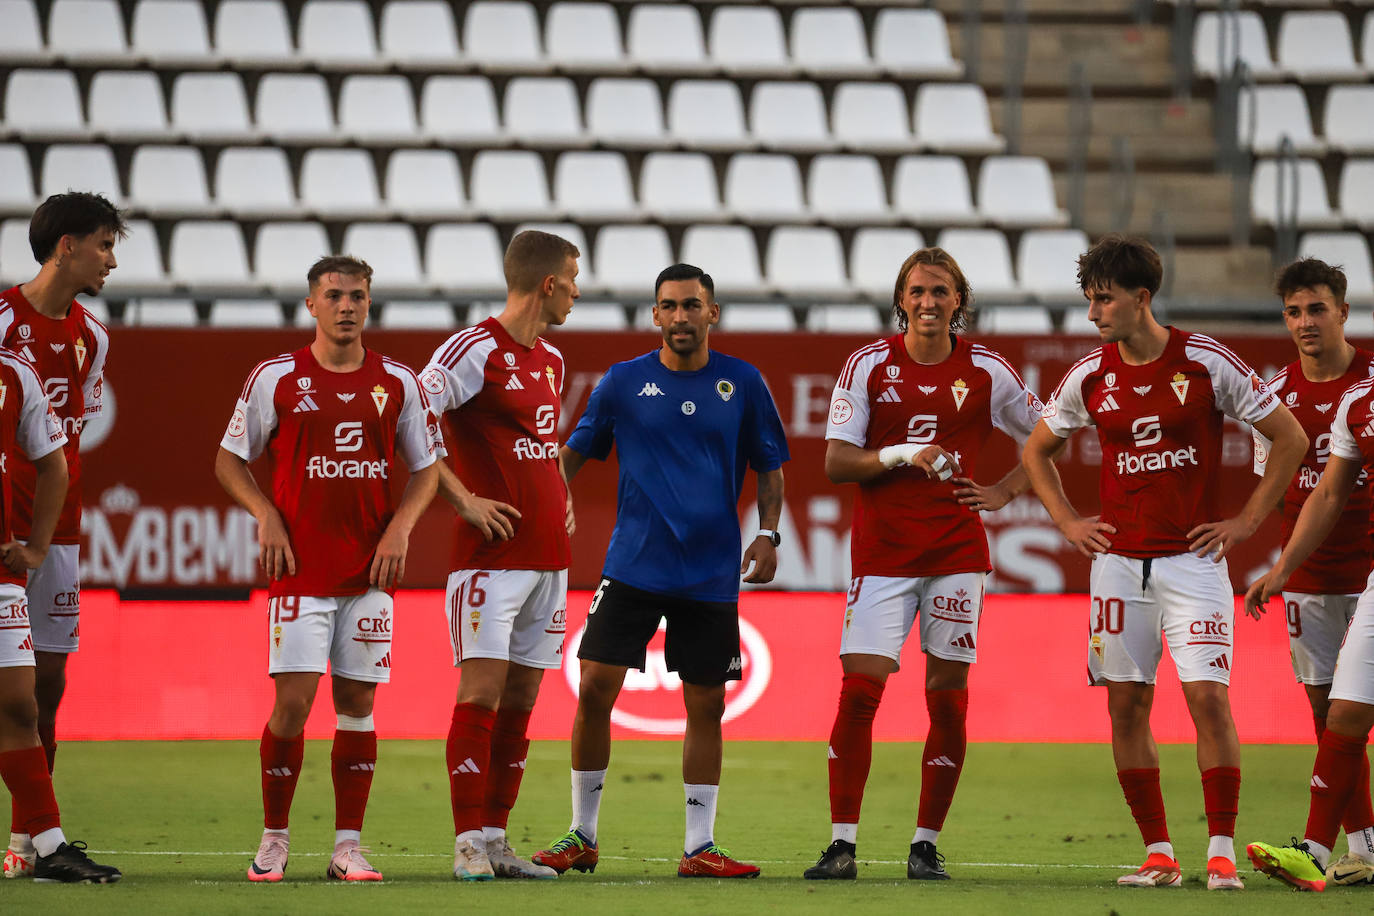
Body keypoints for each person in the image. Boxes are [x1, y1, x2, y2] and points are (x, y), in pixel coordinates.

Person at [1021, 235, 1306, 890]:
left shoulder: (1205, 362)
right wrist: (1067, 522)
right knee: (1126, 708)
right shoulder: (1089, 375)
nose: (1093, 315)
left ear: (1140, 298)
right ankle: (1158, 853)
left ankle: (1222, 851)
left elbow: (1288, 438)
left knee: (1208, 700)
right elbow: (1037, 451)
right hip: (1119, 566)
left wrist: (1246, 522)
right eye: (1089, 301)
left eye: (1103, 300)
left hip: (1193, 563)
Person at [531, 262, 789, 880]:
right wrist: (551, 500)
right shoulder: (622, 383)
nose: (680, 317)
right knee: (594, 687)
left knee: (706, 705)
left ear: (712, 313)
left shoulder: (744, 382)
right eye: (669, 306)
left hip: (709, 574)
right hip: (634, 566)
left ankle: (699, 847)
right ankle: (582, 835)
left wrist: (769, 534)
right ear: (654, 315)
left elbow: (770, 467)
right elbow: (571, 454)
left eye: (692, 306)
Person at [803, 247, 1044, 881]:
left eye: (940, 291)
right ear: (900, 300)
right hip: (882, 557)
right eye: (917, 292)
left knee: (948, 702)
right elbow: (835, 462)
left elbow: (1052, 435)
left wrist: (1004, 492)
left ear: (959, 300)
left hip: (956, 556)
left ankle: (925, 844)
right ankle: (841, 844)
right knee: (859, 693)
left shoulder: (989, 371)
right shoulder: (868, 365)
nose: (928, 302)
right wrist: (904, 452)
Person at [216, 256, 439, 883]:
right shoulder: (277, 377)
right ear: (311, 305)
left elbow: (426, 469)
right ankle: (275, 839)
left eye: (358, 296)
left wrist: (400, 527)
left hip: (370, 575)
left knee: (358, 705)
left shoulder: (397, 381)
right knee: (292, 707)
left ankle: (347, 848)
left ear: (370, 306)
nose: (347, 306)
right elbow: (229, 461)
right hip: (300, 571)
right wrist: (265, 512)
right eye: (334, 295)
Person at [418, 229, 579, 881]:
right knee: (481, 694)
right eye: (573, 277)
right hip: (489, 561)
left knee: (523, 701)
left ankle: (495, 839)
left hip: (550, 558)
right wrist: (461, 500)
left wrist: (559, 490)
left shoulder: (551, 360)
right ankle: (465, 845)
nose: (577, 290)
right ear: (548, 284)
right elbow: (412, 419)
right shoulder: (473, 348)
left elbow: (542, 442)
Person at [2, 192, 120, 879]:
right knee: (10, 692)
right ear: (66, 245)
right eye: (104, 245)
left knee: (47, 686)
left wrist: (50, 532)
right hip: (1, 527)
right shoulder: (0, 323)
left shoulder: (93, 337)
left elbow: (68, 443)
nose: (111, 260)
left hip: (58, 534)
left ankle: (27, 843)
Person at [1250, 257, 1374, 887]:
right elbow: (1280, 488)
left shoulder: (1370, 385)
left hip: (1367, 567)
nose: (1305, 322)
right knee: (1331, 712)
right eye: (1294, 311)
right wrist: (1278, 566)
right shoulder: (1274, 401)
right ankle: (1361, 845)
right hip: (1309, 577)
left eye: (1317, 308)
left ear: (1344, 311)